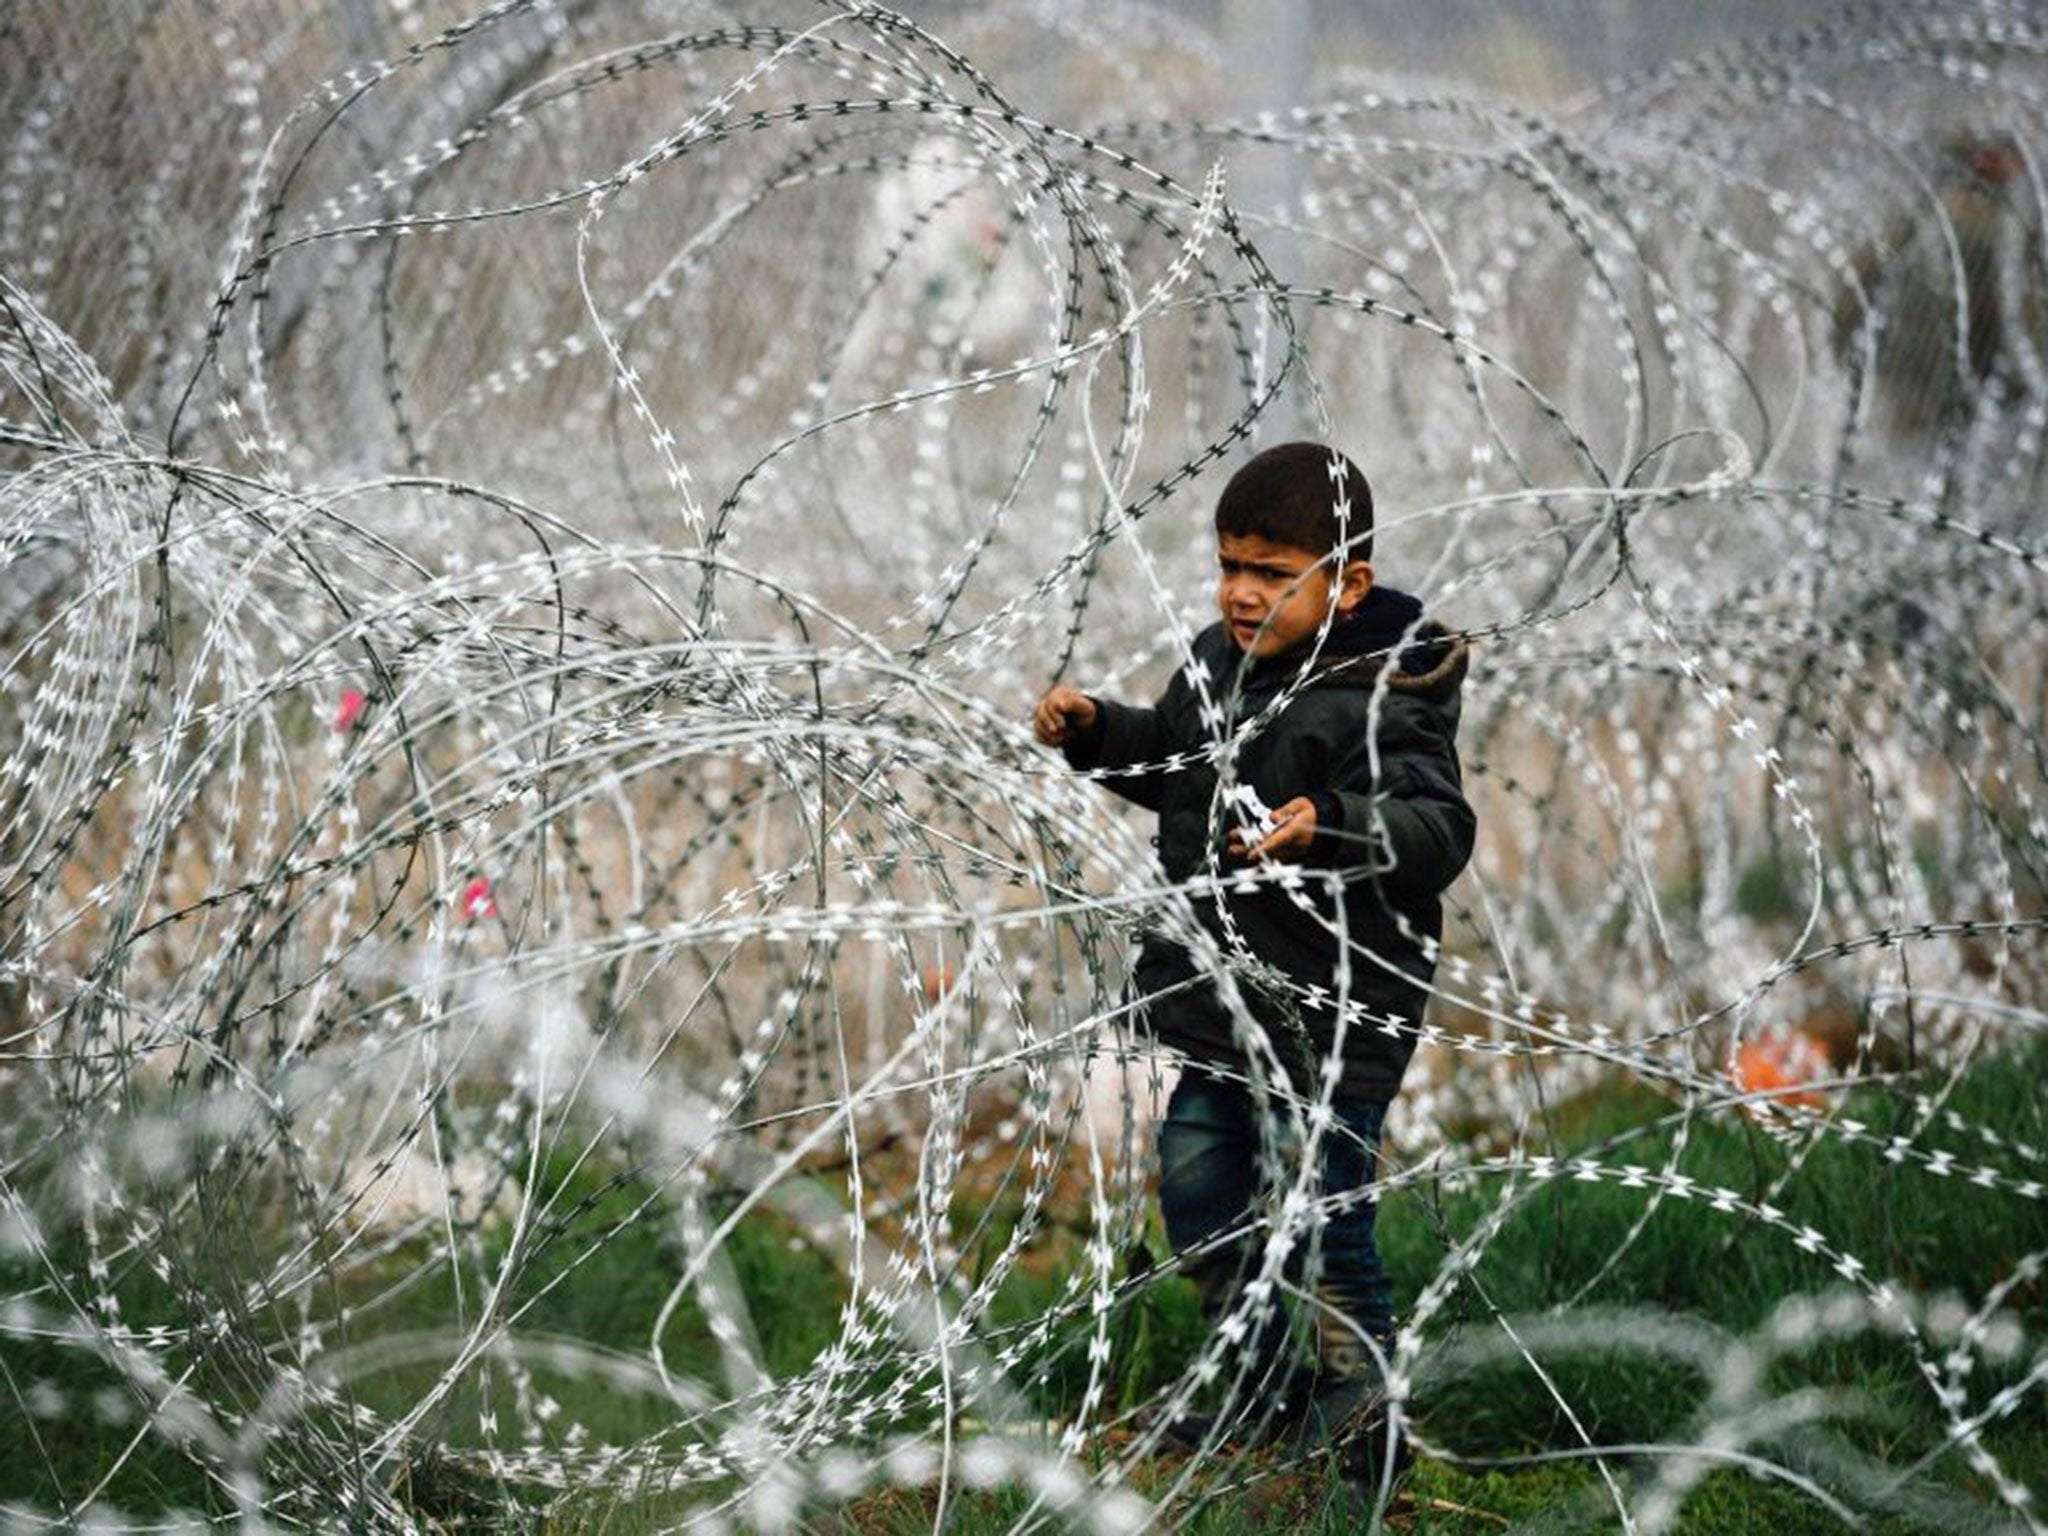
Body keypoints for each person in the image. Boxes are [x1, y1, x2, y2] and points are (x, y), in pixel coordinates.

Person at [1032, 441, 1474, 1484]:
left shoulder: (1383, 691)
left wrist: (1329, 825)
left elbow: (1436, 827)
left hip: (1332, 1017)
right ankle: (1256, 1376)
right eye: (1229, 566)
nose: (1240, 593)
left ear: (1346, 583)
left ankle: (1359, 1413)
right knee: (1195, 1189)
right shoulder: (1215, 665)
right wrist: (1097, 733)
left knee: (1322, 1219)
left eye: (1271, 575)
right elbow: (1177, 766)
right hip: (1218, 1004)